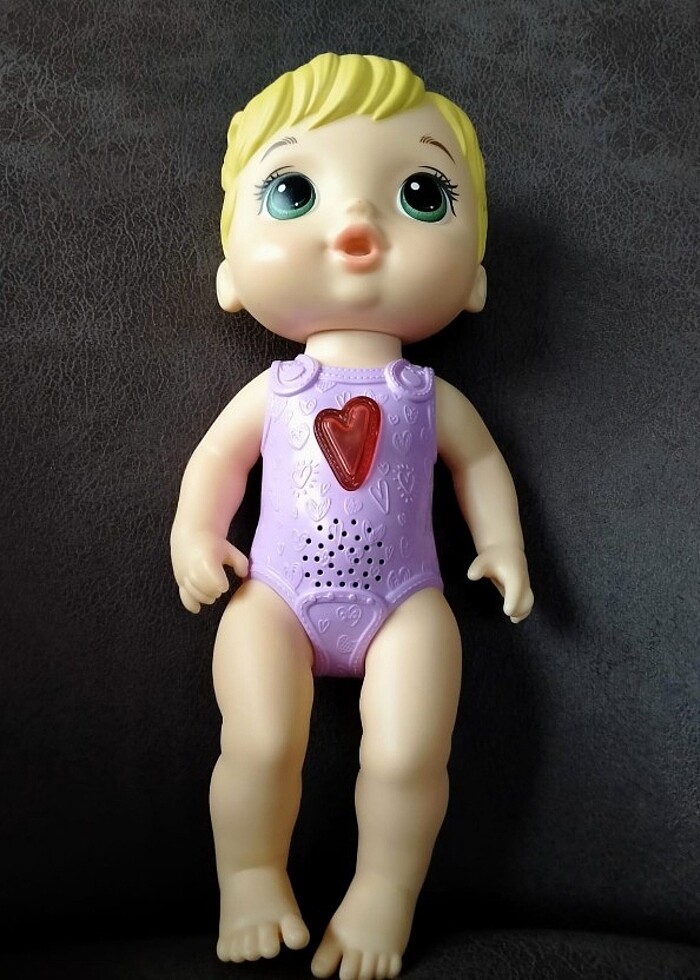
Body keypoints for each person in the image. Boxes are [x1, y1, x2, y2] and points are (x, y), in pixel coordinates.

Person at [170, 52, 533, 980]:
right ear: (231, 275)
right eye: (293, 193)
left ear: (475, 279)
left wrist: (500, 544)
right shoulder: (275, 392)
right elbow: (217, 461)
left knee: (410, 754)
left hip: (405, 601)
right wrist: (196, 534)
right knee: (259, 741)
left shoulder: (430, 397)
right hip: (274, 597)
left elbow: (479, 462)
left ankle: (383, 894)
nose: (358, 225)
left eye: (421, 195)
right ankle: (250, 876)